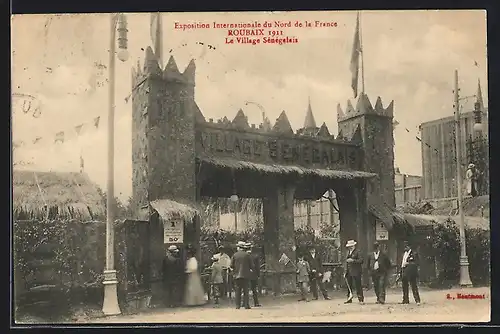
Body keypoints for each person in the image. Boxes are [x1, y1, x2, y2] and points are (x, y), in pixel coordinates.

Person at [230, 241, 253, 309]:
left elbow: (231, 265)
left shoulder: (234, 255)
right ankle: (246, 305)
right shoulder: (247, 255)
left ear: (239, 248)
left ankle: (237, 305)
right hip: (246, 275)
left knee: (238, 291)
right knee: (246, 290)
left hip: (237, 275)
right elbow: (251, 265)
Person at [344, 239, 364, 304]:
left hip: (356, 271)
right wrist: (345, 271)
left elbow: (361, 260)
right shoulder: (347, 252)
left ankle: (360, 299)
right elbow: (346, 262)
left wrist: (353, 260)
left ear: (354, 245)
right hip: (349, 271)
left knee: (358, 285)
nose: (350, 247)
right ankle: (349, 298)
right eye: (349, 246)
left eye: (351, 246)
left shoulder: (358, 252)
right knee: (349, 286)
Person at [400, 241, 421, 305]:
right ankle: (405, 300)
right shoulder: (403, 254)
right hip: (404, 271)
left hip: (411, 272)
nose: (405, 248)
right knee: (404, 286)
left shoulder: (414, 253)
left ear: (409, 246)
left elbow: (417, 263)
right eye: (404, 246)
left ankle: (417, 300)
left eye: (406, 246)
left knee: (413, 286)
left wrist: (408, 263)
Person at [246, 242, 262, 307]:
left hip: (245, 274)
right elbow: (257, 267)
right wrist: (258, 274)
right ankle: (256, 302)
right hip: (253, 274)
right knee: (254, 289)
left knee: (245, 289)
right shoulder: (255, 256)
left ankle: (245, 303)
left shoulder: (245, 255)